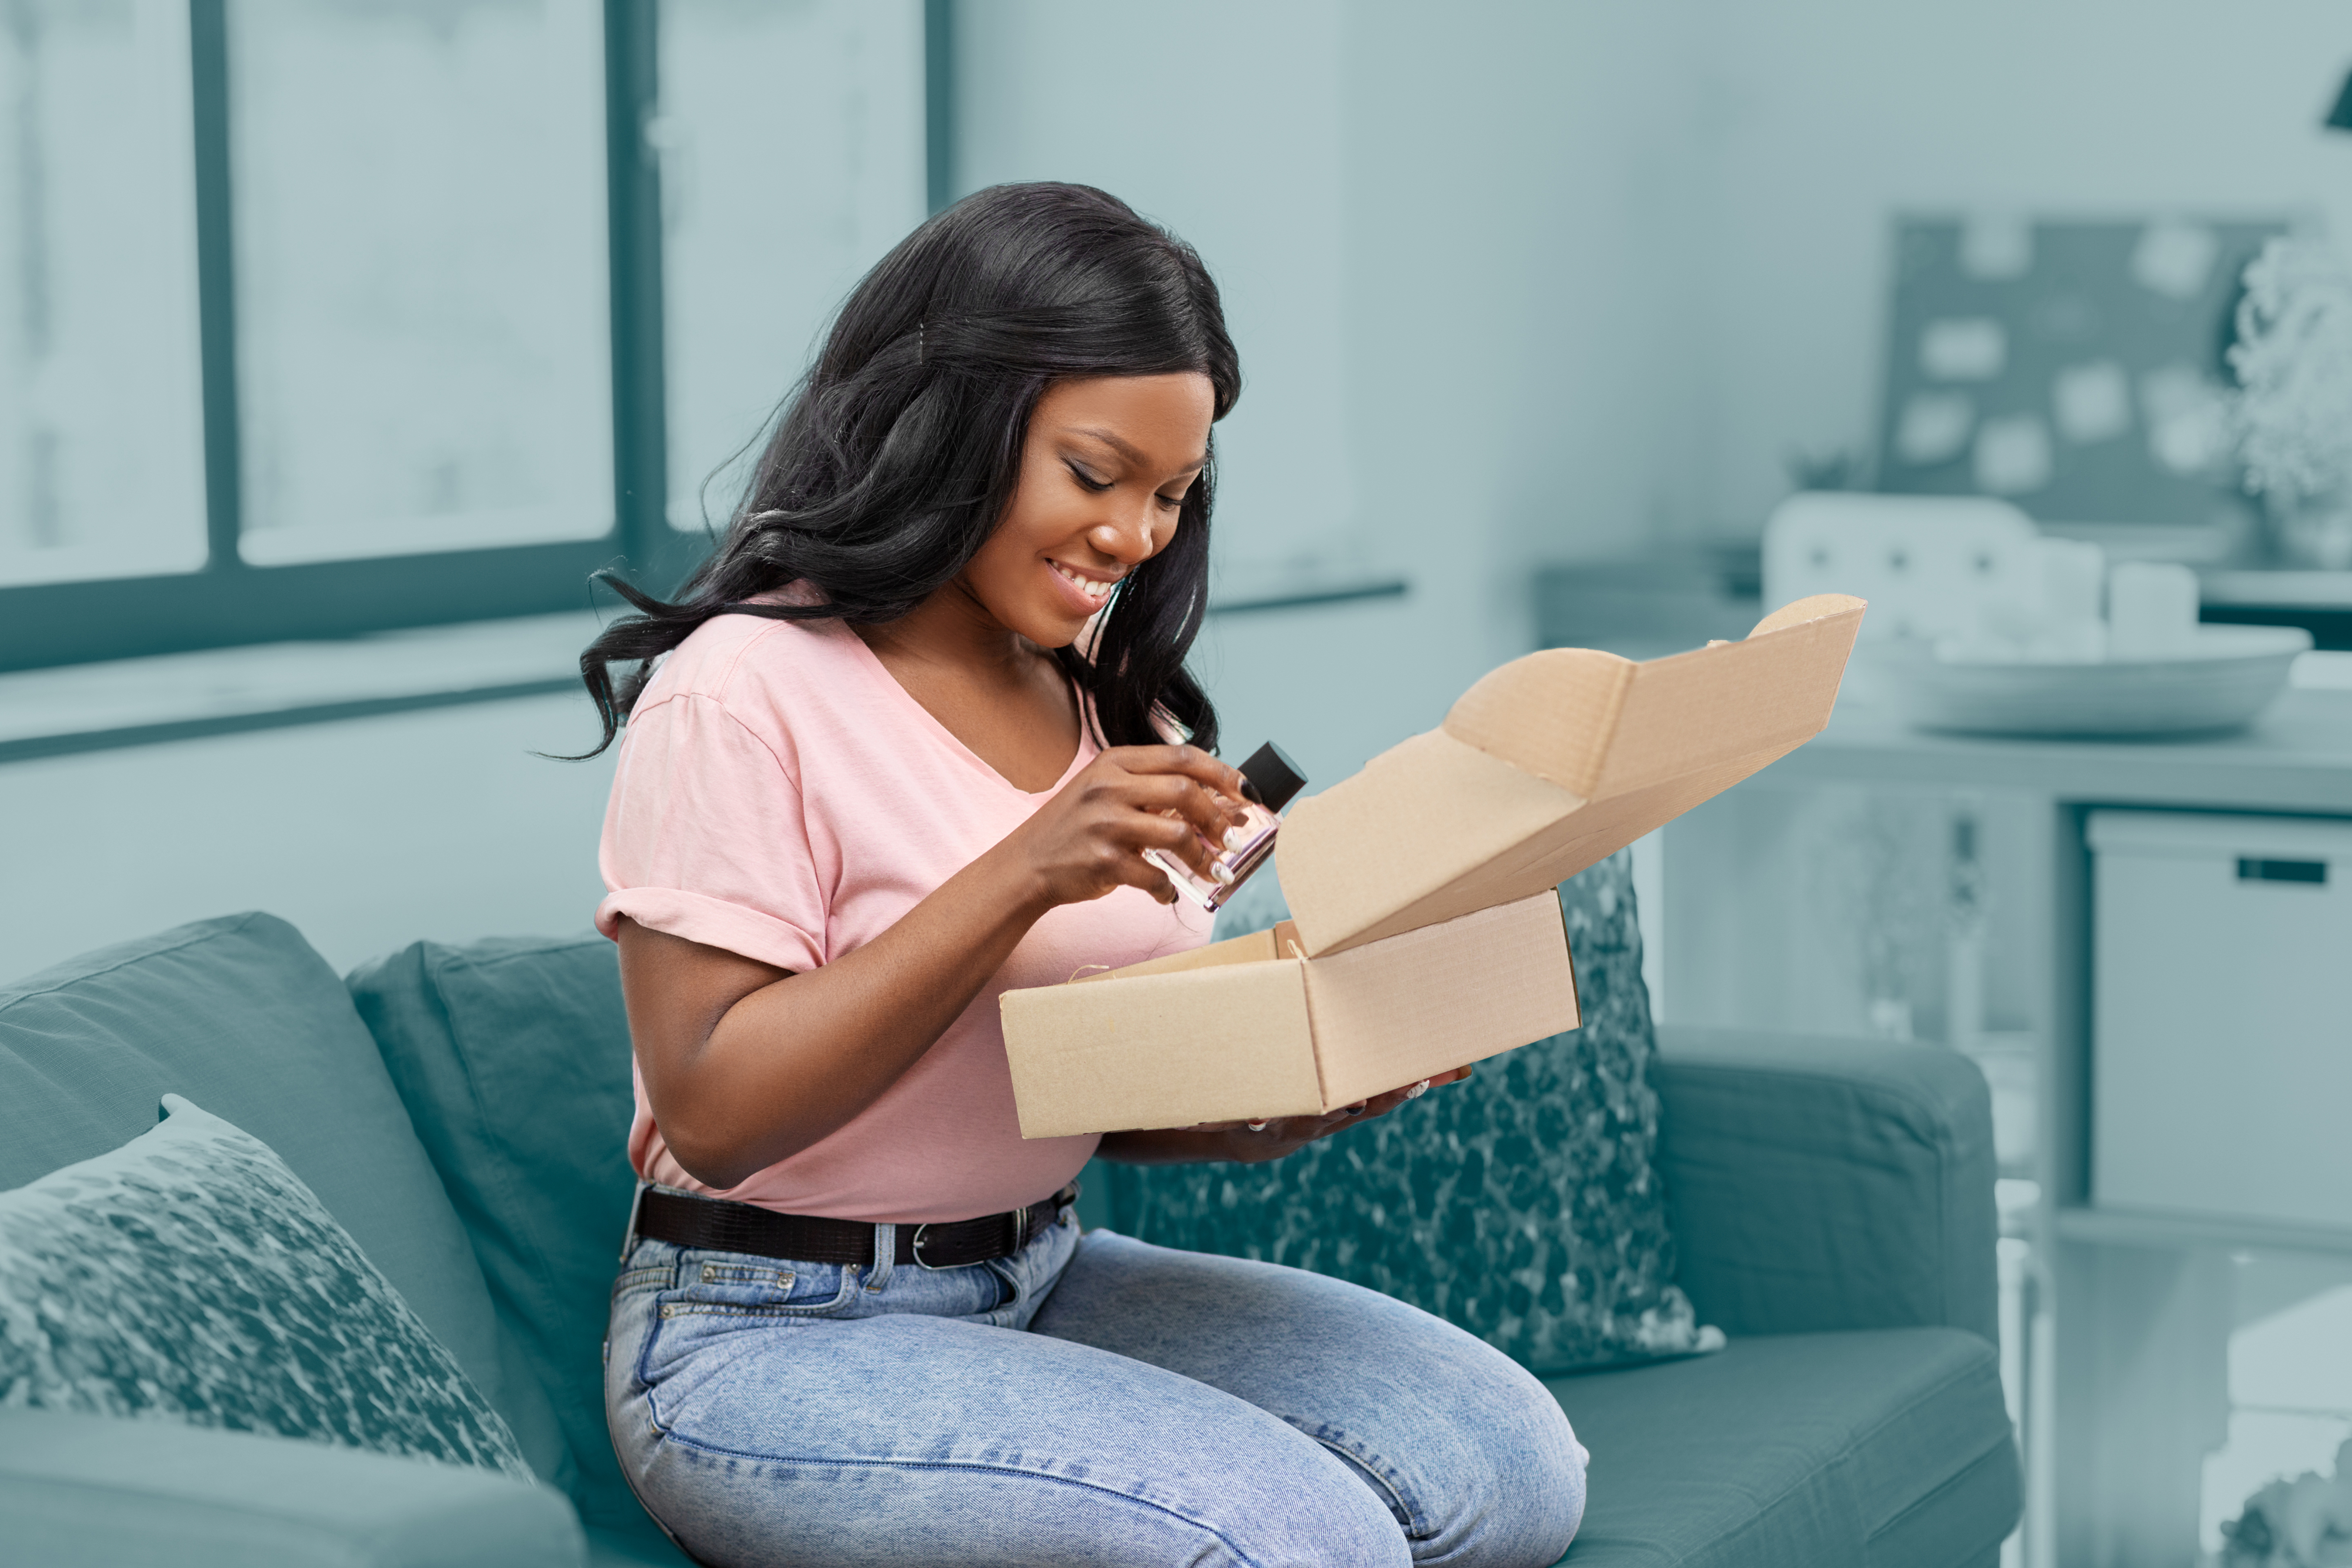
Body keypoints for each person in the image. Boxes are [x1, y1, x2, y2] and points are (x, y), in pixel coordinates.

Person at [579, 182, 1587, 1568]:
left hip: (1041, 1268)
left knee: (1514, 1473)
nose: (1133, 537)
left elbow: (1079, 1092)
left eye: (1171, 494)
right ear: (950, 424)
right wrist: (1022, 872)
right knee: (1305, 1546)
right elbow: (717, 1108)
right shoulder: (744, 688)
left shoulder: (1110, 704)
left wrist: (1279, 1101)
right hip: (765, 1328)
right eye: (1094, 474)